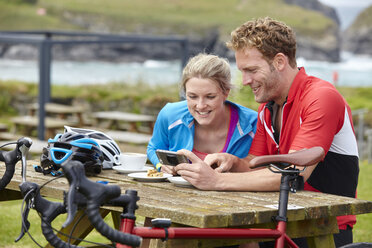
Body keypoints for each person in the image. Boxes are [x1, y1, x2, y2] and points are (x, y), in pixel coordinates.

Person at [174, 17, 359, 247]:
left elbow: (293, 174)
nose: (244, 81)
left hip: (323, 225)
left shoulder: (321, 97)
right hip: (281, 217)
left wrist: (216, 180)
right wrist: (232, 162)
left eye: (251, 70)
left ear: (279, 61)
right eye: (242, 71)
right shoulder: (267, 108)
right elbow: (256, 164)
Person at [147, 53, 257, 170]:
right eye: (192, 96)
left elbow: (267, 168)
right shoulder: (170, 114)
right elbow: (154, 148)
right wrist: (161, 165)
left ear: (226, 93)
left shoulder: (253, 123)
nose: (200, 106)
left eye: (210, 97)